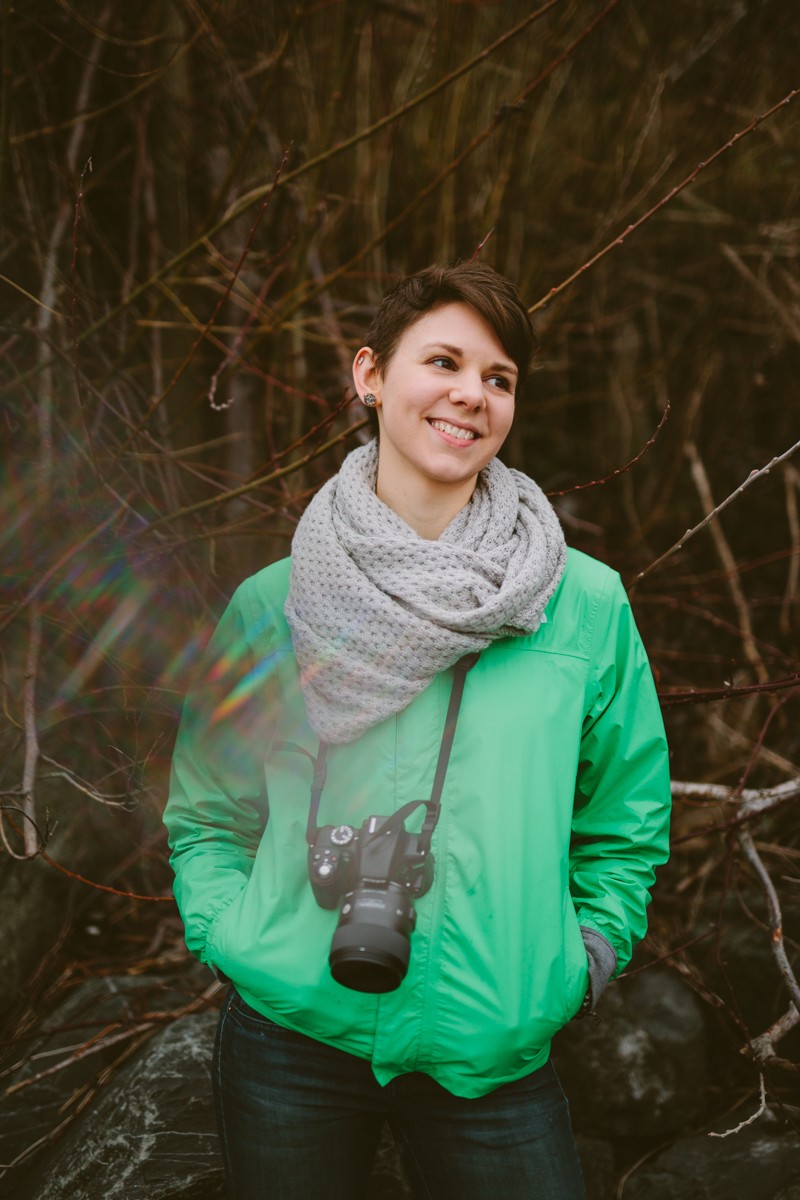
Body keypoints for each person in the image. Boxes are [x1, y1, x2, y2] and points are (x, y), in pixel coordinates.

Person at [163, 262, 671, 1200]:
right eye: (444, 361)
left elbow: (626, 820)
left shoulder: (582, 606)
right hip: (291, 1041)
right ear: (370, 375)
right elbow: (208, 812)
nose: (471, 395)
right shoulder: (271, 608)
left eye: (500, 377)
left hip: (497, 1049)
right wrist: (230, 930)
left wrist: (579, 964)